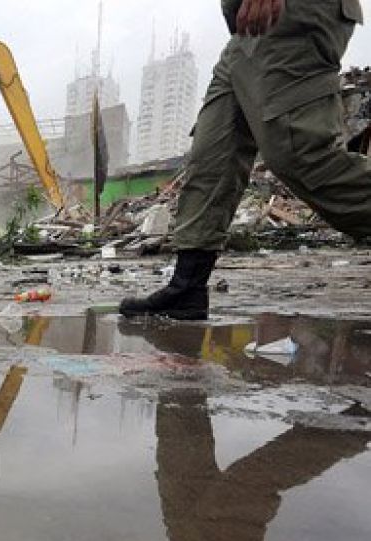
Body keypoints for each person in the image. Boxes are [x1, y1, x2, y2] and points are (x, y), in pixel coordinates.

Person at [121, 0, 371, 320]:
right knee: (212, 155)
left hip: (291, 13)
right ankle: (188, 287)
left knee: (302, 156)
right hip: (245, 31)